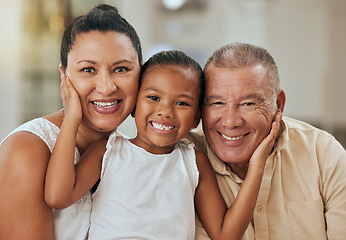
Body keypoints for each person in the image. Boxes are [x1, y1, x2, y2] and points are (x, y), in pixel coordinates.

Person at [44, 50, 281, 239]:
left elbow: (226, 234)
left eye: (182, 103)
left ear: (197, 118)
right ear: (134, 105)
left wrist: (256, 165)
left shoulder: (194, 162)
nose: (165, 112)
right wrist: (72, 118)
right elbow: (58, 196)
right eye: (154, 98)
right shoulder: (107, 151)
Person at [0, 4, 142, 240]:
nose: (107, 87)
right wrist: (72, 119)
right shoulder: (26, 150)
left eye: (121, 69)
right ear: (63, 76)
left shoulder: (127, 152)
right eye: (88, 69)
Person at [185, 42, 346, 240]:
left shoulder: (324, 153)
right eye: (217, 103)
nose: (230, 121)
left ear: (278, 104)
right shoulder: (182, 161)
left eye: (248, 103)